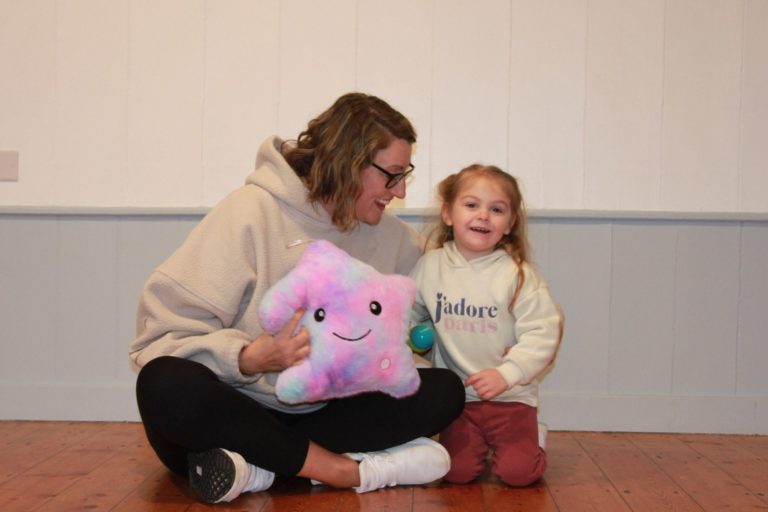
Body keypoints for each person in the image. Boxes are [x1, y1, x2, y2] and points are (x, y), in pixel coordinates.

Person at [129, 92, 465, 503]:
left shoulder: (390, 236)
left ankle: (257, 467)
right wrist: (248, 358)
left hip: (320, 416)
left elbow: (446, 284)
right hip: (237, 408)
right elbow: (159, 340)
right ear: (348, 163)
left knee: (444, 390)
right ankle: (339, 469)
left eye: (404, 175)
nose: (399, 191)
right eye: (392, 176)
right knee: (163, 384)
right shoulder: (249, 212)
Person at [409, 164, 563, 486]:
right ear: (447, 213)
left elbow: (544, 332)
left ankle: (534, 437)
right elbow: (407, 313)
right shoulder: (430, 266)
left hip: (512, 398)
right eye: (471, 204)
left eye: (496, 209)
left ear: (510, 224)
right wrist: (407, 343)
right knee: (456, 473)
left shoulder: (518, 274)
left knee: (518, 474)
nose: (483, 216)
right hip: (460, 401)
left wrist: (507, 374)